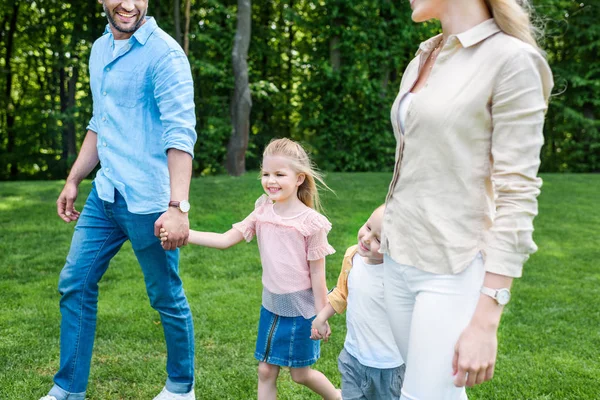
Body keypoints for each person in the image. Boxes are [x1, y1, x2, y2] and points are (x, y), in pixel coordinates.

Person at [380, 0, 554, 398]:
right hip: (396, 258)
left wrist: (487, 316)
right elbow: (425, 162)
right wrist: (382, 219)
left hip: (452, 268)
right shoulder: (425, 54)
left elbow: (518, 193)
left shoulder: (512, 60)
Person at [41, 0, 197, 399]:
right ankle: (68, 389)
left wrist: (178, 207)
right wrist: (75, 178)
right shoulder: (99, 49)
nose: (127, 4)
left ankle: (181, 388)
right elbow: (100, 122)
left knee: (165, 295)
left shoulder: (165, 54)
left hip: (149, 203)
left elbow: (180, 134)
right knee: (75, 283)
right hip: (105, 195)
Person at [160, 138, 342, 400]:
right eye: (266, 173)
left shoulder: (312, 224)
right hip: (271, 307)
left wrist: (321, 316)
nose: (271, 180)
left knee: (300, 374)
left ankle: (337, 397)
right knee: (266, 370)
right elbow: (225, 240)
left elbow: (318, 275)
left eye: (280, 174)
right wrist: (184, 234)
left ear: (299, 178)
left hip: (302, 312)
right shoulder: (263, 210)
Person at [311, 205, 405, 400]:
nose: (367, 238)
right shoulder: (352, 256)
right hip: (353, 356)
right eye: (368, 227)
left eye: (378, 239)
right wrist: (321, 317)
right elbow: (341, 293)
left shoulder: (398, 276)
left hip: (387, 366)